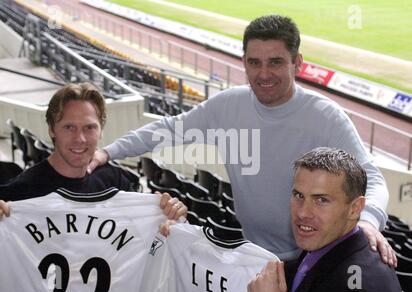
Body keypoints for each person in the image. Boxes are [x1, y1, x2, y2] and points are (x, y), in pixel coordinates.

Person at [87, 15, 395, 264]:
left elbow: (374, 179)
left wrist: (368, 222)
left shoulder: (326, 117)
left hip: (311, 259)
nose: (263, 74)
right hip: (251, 256)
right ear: (244, 61)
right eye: (253, 62)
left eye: (275, 62)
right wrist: (108, 152)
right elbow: (169, 129)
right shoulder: (227, 105)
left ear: (297, 63)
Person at [0, 82, 187, 220]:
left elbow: (147, 234)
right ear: (51, 130)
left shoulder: (115, 181)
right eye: (69, 127)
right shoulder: (19, 194)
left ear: (101, 131)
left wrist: (167, 214)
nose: (80, 139)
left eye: (89, 128)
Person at [247, 147, 402, 292]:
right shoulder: (326, 242)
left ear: (355, 208)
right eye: (299, 195)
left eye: (321, 200)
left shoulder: (357, 291)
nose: (303, 213)